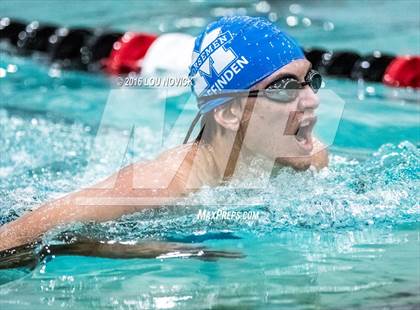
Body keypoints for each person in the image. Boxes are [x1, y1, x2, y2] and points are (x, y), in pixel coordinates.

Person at [0, 16, 328, 253]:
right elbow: (15, 239)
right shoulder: (160, 185)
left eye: (311, 80)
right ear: (229, 112)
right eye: (284, 88)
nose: (312, 100)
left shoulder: (306, 156)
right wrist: (151, 248)